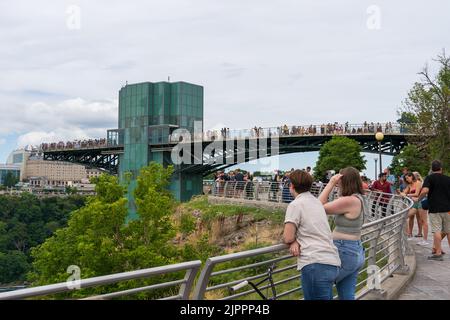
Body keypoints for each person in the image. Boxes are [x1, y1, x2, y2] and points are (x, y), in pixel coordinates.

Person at [283, 170, 341, 300]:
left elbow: (287, 237)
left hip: (315, 263)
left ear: (292, 186)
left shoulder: (295, 205)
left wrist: (293, 241)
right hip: (332, 261)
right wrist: (295, 240)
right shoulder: (317, 203)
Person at [319, 167, 366, 300]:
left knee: (322, 285)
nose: (338, 183)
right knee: (347, 295)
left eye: (340, 180)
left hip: (344, 251)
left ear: (345, 181)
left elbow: (318, 207)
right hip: (355, 250)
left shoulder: (349, 200)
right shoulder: (360, 198)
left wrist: (330, 183)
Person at [417, 160, 450, 261]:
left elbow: (425, 190)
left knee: (437, 230)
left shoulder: (429, 178)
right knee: (449, 231)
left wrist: (418, 198)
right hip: (448, 208)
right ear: (441, 168)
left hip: (435, 208)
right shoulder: (448, 179)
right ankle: (437, 249)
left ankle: (438, 253)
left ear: (432, 169)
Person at [400, 172, 423, 238]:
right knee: (411, 218)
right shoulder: (409, 185)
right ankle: (409, 233)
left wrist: (407, 195)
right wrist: (401, 193)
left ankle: (419, 233)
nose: (407, 180)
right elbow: (404, 193)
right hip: (412, 203)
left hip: (418, 202)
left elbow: (417, 193)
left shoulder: (418, 183)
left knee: (419, 218)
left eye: (407, 178)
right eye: (406, 179)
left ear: (411, 177)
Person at [413, 172, 429, 246]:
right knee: (421, 220)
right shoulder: (419, 183)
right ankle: (422, 236)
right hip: (422, 201)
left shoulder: (420, 183)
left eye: (413, 176)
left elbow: (424, 193)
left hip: (422, 202)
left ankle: (425, 239)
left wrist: (418, 199)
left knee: (424, 221)